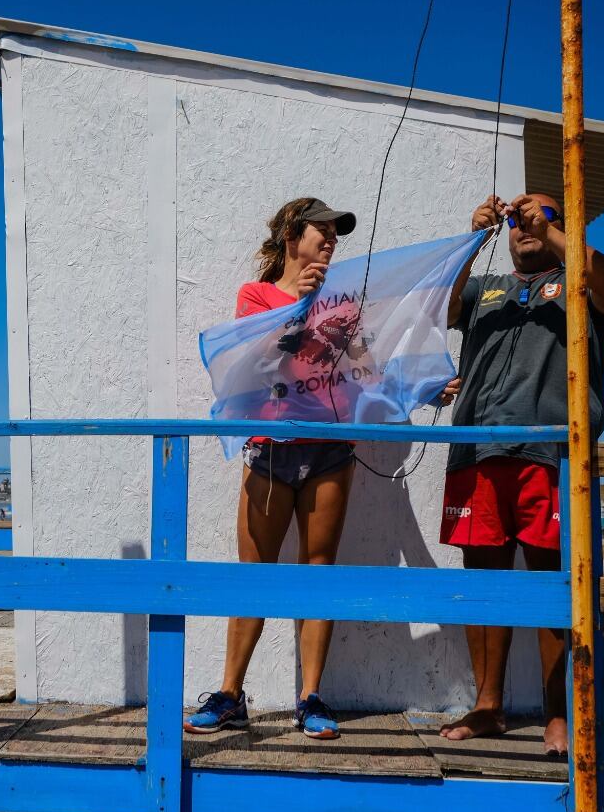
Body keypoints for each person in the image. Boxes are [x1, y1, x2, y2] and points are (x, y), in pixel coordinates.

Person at [186, 197, 458, 740]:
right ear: (292, 235)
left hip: (330, 450)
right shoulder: (256, 295)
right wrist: (299, 305)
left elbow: (365, 373)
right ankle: (230, 695)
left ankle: (311, 697)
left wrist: (424, 389)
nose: (332, 239)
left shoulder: (343, 304)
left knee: (319, 572)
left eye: (336, 233)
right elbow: (254, 365)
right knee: (255, 576)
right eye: (323, 229)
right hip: (269, 448)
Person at [440, 193, 604, 756]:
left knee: (555, 584)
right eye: (518, 218)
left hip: (552, 456)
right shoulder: (486, 287)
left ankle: (559, 713)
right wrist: (473, 239)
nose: (525, 223)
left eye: (543, 215)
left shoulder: (577, 284)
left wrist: (550, 234)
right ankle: (488, 706)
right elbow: (439, 308)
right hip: (477, 452)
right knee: (484, 583)